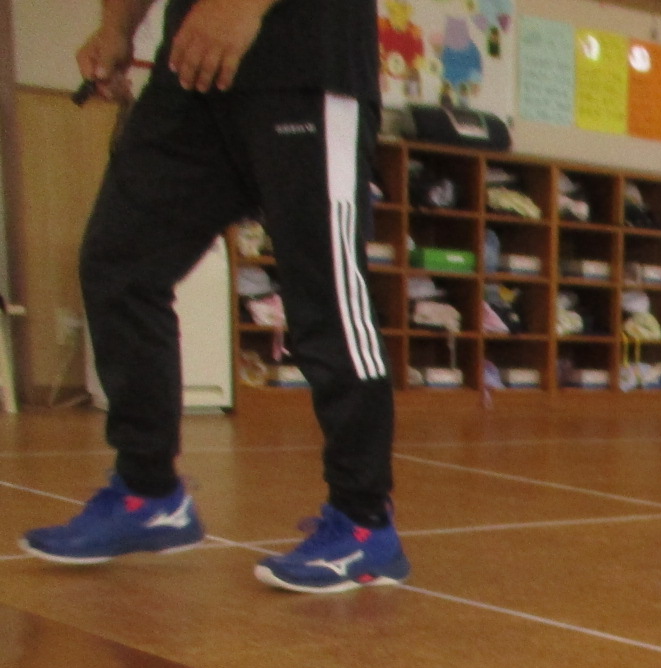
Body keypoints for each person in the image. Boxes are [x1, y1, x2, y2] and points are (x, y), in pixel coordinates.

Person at [19, 0, 411, 592]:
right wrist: (117, 28)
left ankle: (364, 522)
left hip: (304, 63)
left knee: (325, 297)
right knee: (120, 263)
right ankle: (149, 493)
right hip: (190, 74)